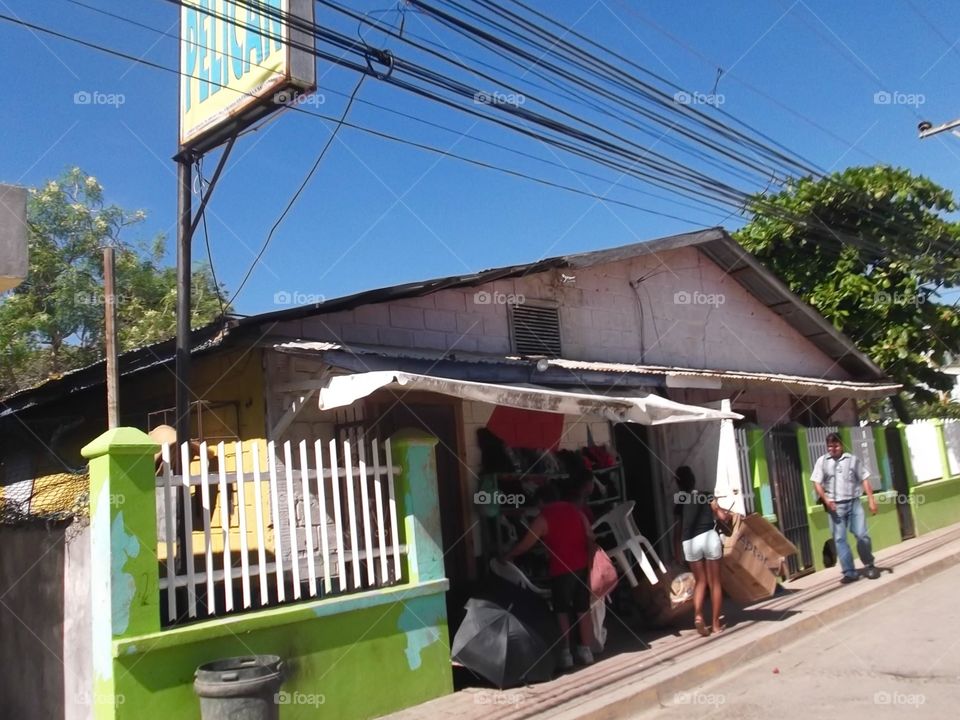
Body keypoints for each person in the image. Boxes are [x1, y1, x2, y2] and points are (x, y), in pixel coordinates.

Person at [504, 473, 596, 669]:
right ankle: (586, 651)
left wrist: (508, 556)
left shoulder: (543, 517)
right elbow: (590, 538)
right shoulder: (576, 511)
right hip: (581, 567)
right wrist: (590, 563)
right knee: (583, 609)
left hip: (561, 570)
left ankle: (566, 654)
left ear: (541, 501)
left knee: (561, 611)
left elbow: (526, 544)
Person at [811, 432, 879, 583]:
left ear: (841, 445)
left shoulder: (852, 460)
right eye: (829, 446)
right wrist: (826, 499)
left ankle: (869, 565)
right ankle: (849, 572)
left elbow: (864, 479)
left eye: (835, 445)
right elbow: (816, 483)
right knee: (840, 539)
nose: (832, 449)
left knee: (862, 535)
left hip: (854, 503)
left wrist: (871, 500)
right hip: (835, 506)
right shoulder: (822, 462)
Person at [673, 466, 730, 636]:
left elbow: (677, 531)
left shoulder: (679, 502)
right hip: (709, 538)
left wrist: (677, 551)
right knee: (715, 583)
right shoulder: (706, 495)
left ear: (678, 484)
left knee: (700, 582)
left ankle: (698, 616)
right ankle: (716, 624)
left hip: (689, 543)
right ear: (693, 479)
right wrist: (727, 513)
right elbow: (721, 516)